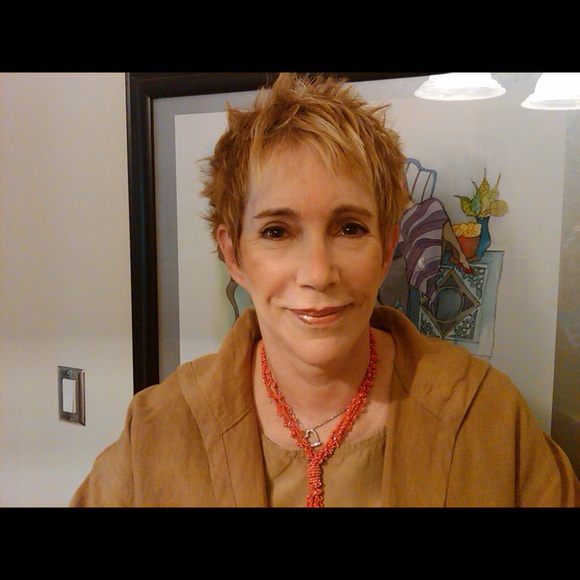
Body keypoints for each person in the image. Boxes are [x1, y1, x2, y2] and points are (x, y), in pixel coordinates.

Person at [70, 73, 579, 507]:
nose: (317, 272)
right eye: (276, 231)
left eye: (349, 228)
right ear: (233, 254)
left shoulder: (488, 418)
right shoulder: (157, 431)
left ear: (387, 247)